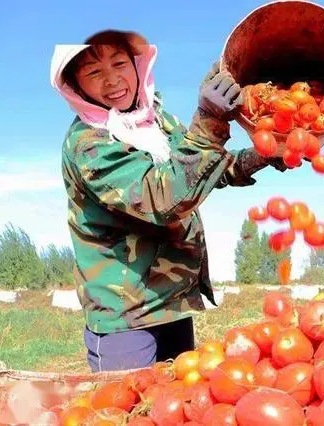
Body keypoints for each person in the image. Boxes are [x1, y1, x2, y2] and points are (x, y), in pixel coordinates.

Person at [50, 29, 286, 372]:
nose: (113, 79)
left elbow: (200, 171)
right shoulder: (89, 142)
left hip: (171, 303)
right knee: (126, 411)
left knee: (175, 407)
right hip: (127, 317)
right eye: (94, 72)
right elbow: (163, 197)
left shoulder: (156, 123)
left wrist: (262, 154)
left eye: (119, 63)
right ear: (75, 86)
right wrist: (209, 120)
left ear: (137, 66)